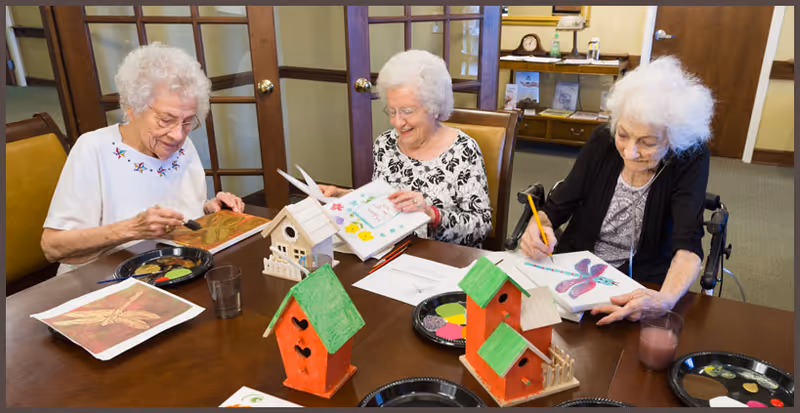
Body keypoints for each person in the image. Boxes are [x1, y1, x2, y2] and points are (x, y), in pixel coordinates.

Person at [520, 56, 714, 325]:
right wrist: (537, 227)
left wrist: (665, 300)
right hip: (571, 273)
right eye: (623, 134)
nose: (629, 151)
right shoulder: (603, 140)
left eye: (647, 142)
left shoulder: (689, 156)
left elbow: (688, 245)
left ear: (675, 139)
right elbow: (555, 208)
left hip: (639, 284)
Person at [41, 42, 244, 275]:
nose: (178, 134)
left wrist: (209, 210)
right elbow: (52, 246)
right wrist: (133, 229)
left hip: (170, 273)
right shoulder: (94, 149)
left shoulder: (182, 147)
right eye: (166, 119)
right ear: (133, 108)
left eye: (188, 121)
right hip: (103, 283)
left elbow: (181, 213)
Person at [319, 50, 492, 248]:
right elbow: (380, 203)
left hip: (444, 262)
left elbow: (482, 226)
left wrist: (431, 214)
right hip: (390, 256)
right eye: (392, 111)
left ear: (434, 107)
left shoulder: (464, 151)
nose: (398, 123)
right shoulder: (385, 144)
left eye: (407, 112)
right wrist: (342, 196)